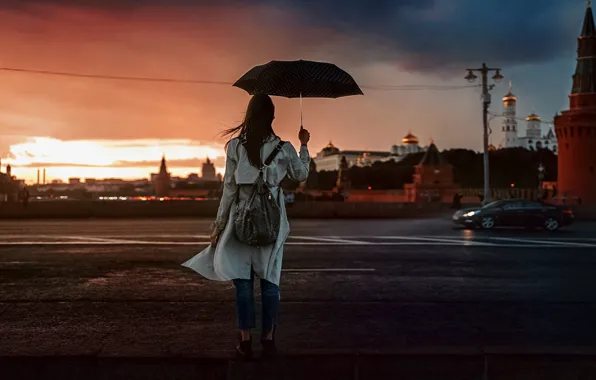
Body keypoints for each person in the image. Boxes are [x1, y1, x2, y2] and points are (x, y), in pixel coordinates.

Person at [182, 94, 311, 359]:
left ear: (248, 115)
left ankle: (244, 341)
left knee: (242, 283)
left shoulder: (234, 147)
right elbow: (301, 175)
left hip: (240, 221)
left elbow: (228, 189)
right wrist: (304, 145)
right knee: (270, 282)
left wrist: (219, 224)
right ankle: (269, 340)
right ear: (272, 117)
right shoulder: (284, 147)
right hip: (272, 223)